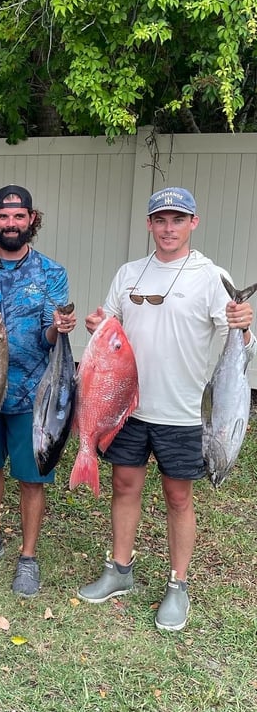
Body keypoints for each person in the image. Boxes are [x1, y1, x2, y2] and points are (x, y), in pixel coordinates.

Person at [77, 187, 255, 631]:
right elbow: (110, 321)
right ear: (149, 224)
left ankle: (178, 585)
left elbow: (240, 343)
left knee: (178, 497)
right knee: (124, 485)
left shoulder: (211, 277)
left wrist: (244, 328)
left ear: (193, 223)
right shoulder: (130, 272)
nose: (168, 228)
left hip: (182, 411)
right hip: (128, 406)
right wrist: (98, 325)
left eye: (178, 219)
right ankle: (120, 569)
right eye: (161, 220)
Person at [0, 185, 75, 597]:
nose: (11, 224)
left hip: (31, 395)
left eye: (18, 217)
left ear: (31, 220)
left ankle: (28, 556)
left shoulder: (51, 273)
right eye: (4, 217)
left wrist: (58, 329)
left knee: (31, 476)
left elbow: (49, 337)